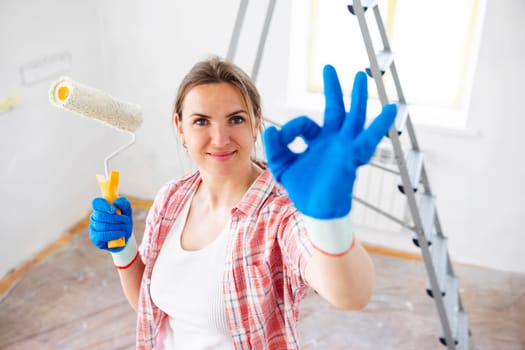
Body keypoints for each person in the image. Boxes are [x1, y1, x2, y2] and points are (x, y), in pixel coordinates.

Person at [89, 57, 397, 349]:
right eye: (201, 121)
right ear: (180, 127)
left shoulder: (280, 215)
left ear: (255, 123)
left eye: (235, 119)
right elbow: (149, 304)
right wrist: (124, 248)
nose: (220, 138)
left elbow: (351, 296)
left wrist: (329, 222)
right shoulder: (172, 196)